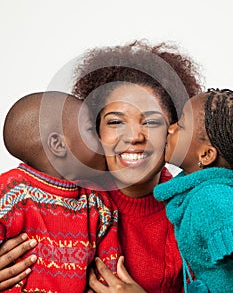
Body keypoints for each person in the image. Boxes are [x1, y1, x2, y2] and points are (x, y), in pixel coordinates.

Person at [0, 40, 203, 292]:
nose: (133, 137)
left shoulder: (192, 212)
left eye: (151, 122)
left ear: (173, 132)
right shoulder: (60, 195)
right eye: (115, 122)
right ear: (95, 131)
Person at [0, 91, 121, 292]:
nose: (104, 139)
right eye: (91, 129)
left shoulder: (99, 203)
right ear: (58, 145)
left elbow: (110, 271)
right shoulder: (11, 191)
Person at [154, 88, 233, 293]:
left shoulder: (212, 199)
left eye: (181, 126)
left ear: (206, 155)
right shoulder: (200, 192)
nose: (170, 129)